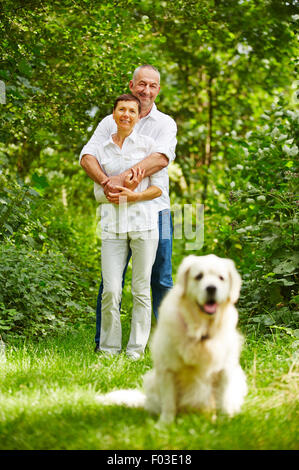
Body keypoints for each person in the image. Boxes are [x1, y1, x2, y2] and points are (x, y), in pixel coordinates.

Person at [80, 65, 177, 351]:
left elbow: (159, 160)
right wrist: (106, 183)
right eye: (142, 84)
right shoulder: (109, 122)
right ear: (132, 85)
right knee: (111, 282)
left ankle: (165, 343)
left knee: (158, 278)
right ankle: (104, 344)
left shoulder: (164, 124)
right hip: (114, 214)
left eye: (153, 86)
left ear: (158, 89)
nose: (146, 90)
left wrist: (121, 183)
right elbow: (87, 157)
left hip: (154, 210)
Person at [91, 93, 164, 359]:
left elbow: (158, 189)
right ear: (114, 115)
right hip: (112, 227)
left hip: (144, 226)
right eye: (121, 110)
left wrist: (134, 196)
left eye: (131, 111)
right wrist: (110, 189)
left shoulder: (149, 147)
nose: (126, 115)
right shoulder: (101, 150)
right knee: (111, 290)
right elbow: (98, 192)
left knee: (141, 289)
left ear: (138, 116)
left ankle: (135, 351)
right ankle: (109, 350)